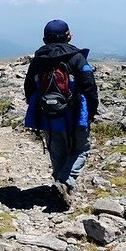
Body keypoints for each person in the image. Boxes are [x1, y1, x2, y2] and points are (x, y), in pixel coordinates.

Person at [24, 19, 98, 208]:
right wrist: (91, 112)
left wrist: (40, 110)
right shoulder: (76, 58)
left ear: (44, 39)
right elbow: (89, 87)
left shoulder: (38, 60)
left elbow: (29, 88)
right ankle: (64, 183)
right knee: (80, 149)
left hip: (48, 116)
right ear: (68, 36)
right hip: (74, 116)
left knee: (57, 152)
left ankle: (60, 187)